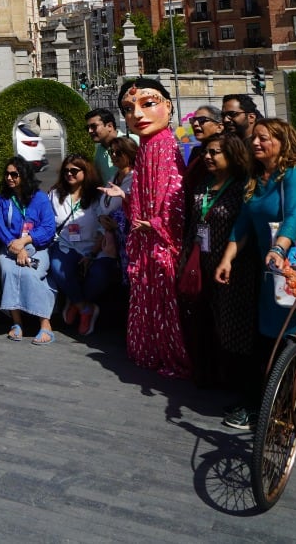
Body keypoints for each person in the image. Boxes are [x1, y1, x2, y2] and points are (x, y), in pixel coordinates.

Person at [214, 118, 296, 446]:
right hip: (272, 277)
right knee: (273, 344)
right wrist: (227, 258)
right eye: (254, 138)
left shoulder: (294, 173)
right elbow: (243, 224)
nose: (256, 143)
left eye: (264, 138)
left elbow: (295, 214)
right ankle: (279, 413)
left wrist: (279, 248)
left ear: (283, 142)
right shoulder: (254, 178)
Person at [119, 77, 191, 379]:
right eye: (128, 109)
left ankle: (168, 351)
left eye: (148, 104)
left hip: (162, 243)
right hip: (146, 241)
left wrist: (156, 224)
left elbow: (176, 199)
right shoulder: (146, 147)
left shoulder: (167, 145)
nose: (137, 114)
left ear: (168, 106)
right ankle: (150, 348)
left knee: (164, 298)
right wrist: (129, 203)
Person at [180, 132, 258, 393]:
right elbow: (194, 224)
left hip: (235, 269)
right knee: (205, 321)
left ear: (232, 154)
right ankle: (208, 373)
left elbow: (246, 228)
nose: (208, 157)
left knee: (233, 325)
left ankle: (237, 384)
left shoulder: (242, 186)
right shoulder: (204, 184)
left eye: (215, 152)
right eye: (205, 152)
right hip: (202, 263)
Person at [47, 155, 120, 338]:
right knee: (58, 267)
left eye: (74, 170)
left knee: (100, 274)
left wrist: (92, 254)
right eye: (66, 171)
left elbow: (104, 228)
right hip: (66, 244)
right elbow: (49, 223)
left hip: (95, 247)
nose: (69, 174)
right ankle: (85, 308)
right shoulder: (55, 194)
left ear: (85, 172)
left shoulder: (98, 196)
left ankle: (75, 302)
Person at [0, 154, 56, 343]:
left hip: (37, 247)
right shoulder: (2, 199)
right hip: (10, 248)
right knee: (9, 271)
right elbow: (0, 227)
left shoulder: (40, 198)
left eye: (14, 174)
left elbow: (48, 227)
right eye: (7, 174)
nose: (9, 178)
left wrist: (26, 240)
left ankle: (45, 324)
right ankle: (17, 323)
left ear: (25, 175)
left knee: (30, 274)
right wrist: (16, 246)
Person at [85, 108, 127, 187]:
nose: (90, 131)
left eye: (94, 126)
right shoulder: (99, 151)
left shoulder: (132, 140)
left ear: (109, 126)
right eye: (87, 128)